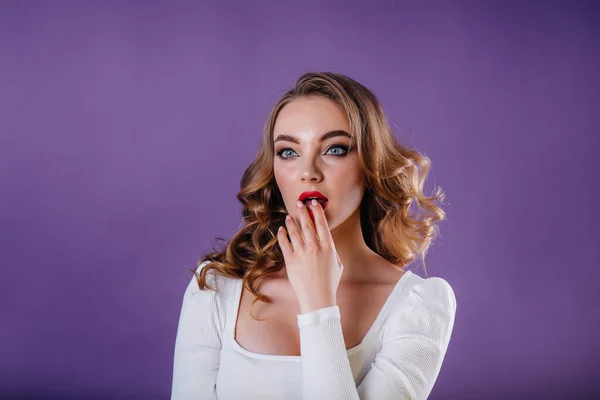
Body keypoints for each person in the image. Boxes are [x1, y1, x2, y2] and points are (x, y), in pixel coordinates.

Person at [170, 72, 457, 399]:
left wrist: (318, 304)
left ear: (370, 163)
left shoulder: (419, 306)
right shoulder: (216, 287)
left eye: (334, 149)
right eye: (288, 152)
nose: (308, 171)